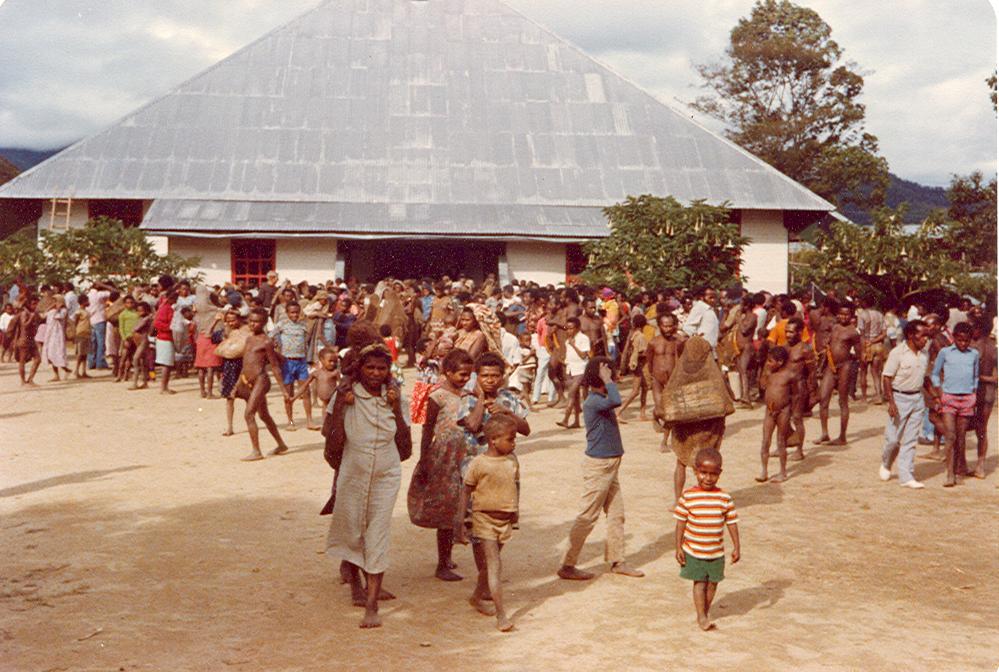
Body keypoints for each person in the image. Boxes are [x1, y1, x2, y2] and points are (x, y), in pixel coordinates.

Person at [326, 343, 410, 629]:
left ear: (389, 371)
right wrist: (342, 403)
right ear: (359, 369)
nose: (375, 373)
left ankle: (371, 605)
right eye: (369, 367)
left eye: (381, 368)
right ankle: (356, 588)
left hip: (386, 473)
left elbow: (405, 445)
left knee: (377, 533)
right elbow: (330, 434)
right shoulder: (346, 394)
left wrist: (395, 405)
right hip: (353, 470)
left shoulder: (394, 396)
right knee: (351, 528)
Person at [558, 357, 644, 581]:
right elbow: (617, 400)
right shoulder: (594, 401)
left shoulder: (598, 398)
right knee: (588, 516)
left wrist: (607, 379)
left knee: (617, 515)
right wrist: (608, 379)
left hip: (610, 465)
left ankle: (618, 561)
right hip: (600, 466)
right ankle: (567, 565)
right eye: (608, 373)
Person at [408, 349, 475, 581]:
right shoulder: (437, 396)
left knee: (460, 506)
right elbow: (427, 430)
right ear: (448, 372)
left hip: (463, 455)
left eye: (468, 374)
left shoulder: (467, 395)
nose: (466, 378)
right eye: (462, 374)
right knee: (446, 510)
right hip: (444, 457)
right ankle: (442, 563)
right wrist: (424, 458)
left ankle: (447, 558)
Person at [458, 413, 520, 632]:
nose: (514, 443)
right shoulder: (478, 463)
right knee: (494, 565)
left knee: (489, 565)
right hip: (484, 519)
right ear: (493, 440)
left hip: (505, 520)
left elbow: (515, 486)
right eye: (510, 439)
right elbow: (466, 491)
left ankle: (476, 597)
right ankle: (501, 615)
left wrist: (515, 512)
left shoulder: (512, 462)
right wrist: (460, 522)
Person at [674, 447, 741, 631]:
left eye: (713, 474)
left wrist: (737, 547)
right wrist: (678, 547)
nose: (708, 478)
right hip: (694, 550)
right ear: (695, 471)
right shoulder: (688, 496)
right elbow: (680, 523)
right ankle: (702, 616)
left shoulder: (724, 498)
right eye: (703, 473)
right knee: (699, 583)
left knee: (713, 584)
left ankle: (705, 609)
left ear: (719, 474)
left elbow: (732, 522)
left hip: (716, 552)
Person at [879, 320, 934, 489]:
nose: (926, 339)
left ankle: (906, 476)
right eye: (922, 335)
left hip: (917, 400)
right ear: (911, 335)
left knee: (910, 440)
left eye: (927, 335)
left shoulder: (924, 355)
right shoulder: (898, 353)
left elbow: (925, 378)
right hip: (899, 398)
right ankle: (886, 463)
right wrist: (891, 402)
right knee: (893, 439)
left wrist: (934, 396)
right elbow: (887, 377)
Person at [235, 307, 291, 461]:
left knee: (249, 414)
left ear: (264, 323)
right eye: (251, 321)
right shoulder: (249, 339)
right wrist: (238, 383)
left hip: (261, 380)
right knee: (264, 415)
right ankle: (281, 444)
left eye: (257, 322)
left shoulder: (266, 342)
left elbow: (274, 366)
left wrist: (283, 390)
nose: (253, 324)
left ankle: (256, 451)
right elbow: (245, 363)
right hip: (248, 380)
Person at [931, 322, 980, 487]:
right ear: (954, 338)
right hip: (949, 398)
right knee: (950, 436)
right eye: (960, 340)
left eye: (966, 341)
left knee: (961, 437)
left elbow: (975, 376)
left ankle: (960, 470)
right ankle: (949, 473)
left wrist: (973, 393)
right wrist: (940, 393)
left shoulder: (973, 354)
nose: (963, 344)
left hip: (967, 399)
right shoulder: (945, 352)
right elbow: (935, 374)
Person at [815, 304, 860, 445]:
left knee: (842, 401)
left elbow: (859, 353)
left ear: (851, 316)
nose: (843, 317)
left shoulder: (853, 332)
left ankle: (842, 436)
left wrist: (850, 364)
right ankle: (824, 433)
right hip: (830, 366)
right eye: (841, 314)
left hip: (845, 366)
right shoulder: (834, 327)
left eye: (846, 314)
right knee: (823, 399)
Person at [271, 301, 314, 430]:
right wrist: (276, 349)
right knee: (288, 393)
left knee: (306, 391)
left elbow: (308, 342)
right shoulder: (281, 325)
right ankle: (290, 422)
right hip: (287, 362)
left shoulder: (304, 326)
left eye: (296, 312)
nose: (295, 315)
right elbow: (270, 337)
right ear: (287, 313)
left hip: (301, 361)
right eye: (292, 312)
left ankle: (309, 420)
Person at [757, 346, 795, 483]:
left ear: (780, 362)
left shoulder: (789, 375)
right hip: (769, 411)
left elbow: (795, 394)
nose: (767, 363)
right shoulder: (769, 373)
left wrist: (791, 411)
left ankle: (783, 472)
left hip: (783, 411)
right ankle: (764, 470)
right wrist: (765, 374)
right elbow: (762, 386)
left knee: (781, 441)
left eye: (770, 361)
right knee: (765, 440)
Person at [647, 313, 686, 425]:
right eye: (665, 326)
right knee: (660, 410)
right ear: (659, 326)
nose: (668, 329)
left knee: (672, 410)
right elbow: (649, 361)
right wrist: (651, 376)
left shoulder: (677, 342)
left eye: (670, 326)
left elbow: (683, 356)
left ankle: (667, 437)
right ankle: (655, 414)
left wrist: (681, 338)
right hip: (657, 379)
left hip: (672, 379)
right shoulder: (653, 342)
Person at [970, 317, 996, 478]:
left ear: (978, 329)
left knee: (964, 426)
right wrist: (991, 379)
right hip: (989, 393)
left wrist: (981, 378)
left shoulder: (974, 348)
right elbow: (995, 375)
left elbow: (971, 374)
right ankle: (980, 465)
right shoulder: (994, 347)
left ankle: (961, 464)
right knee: (982, 429)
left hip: (975, 391)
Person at [557, 317, 591, 429]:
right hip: (571, 370)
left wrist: (573, 345)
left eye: (571, 328)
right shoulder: (568, 341)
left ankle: (566, 419)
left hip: (581, 369)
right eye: (567, 328)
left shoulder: (583, 338)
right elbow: (569, 357)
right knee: (575, 397)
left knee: (571, 393)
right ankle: (576, 421)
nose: (568, 331)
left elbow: (584, 355)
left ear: (577, 328)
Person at [857, 296, 888, 404]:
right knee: (876, 372)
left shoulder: (862, 315)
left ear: (864, 302)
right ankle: (879, 395)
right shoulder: (880, 315)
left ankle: (864, 397)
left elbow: (861, 335)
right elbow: (884, 334)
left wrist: (863, 351)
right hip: (878, 345)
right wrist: (875, 340)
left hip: (866, 345)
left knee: (863, 372)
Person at [13, 296, 42, 386]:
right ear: (29, 304)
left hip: (31, 339)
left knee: (38, 359)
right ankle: (23, 381)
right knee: (22, 361)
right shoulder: (24, 313)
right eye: (34, 304)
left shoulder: (33, 313)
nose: (35, 305)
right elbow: (25, 326)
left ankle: (30, 379)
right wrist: (31, 318)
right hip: (24, 339)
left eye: (36, 303)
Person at [153, 290, 177, 394]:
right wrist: (170, 328)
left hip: (166, 337)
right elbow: (157, 323)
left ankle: (165, 386)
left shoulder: (166, 308)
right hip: (164, 338)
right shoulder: (165, 309)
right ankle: (163, 387)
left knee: (168, 364)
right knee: (166, 364)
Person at [86, 281, 114, 369]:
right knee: (101, 343)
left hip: (90, 320)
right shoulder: (100, 295)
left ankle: (91, 362)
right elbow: (114, 291)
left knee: (92, 343)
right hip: (100, 319)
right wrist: (104, 285)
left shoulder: (88, 295)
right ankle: (100, 362)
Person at [128, 302, 154, 389]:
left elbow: (136, 328)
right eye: (138, 311)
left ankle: (135, 383)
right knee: (143, 362)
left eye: (142, 311)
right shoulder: (143, 318)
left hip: (143, 341)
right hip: (140, 341)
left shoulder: (146, 319)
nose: (139, 312)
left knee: (135, 359)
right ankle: (145, 382)